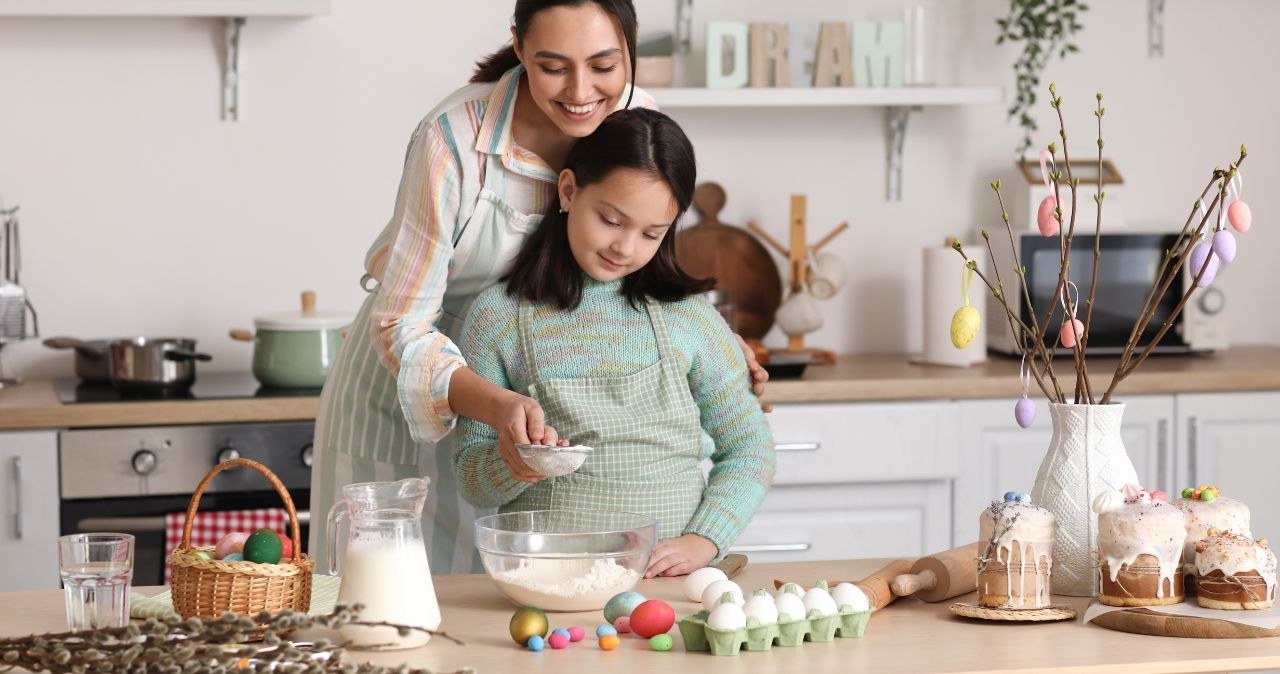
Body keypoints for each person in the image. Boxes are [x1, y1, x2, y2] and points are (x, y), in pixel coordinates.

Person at [310, 0, 767, 576]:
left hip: (527, 395)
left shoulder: (636, 116)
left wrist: (717, 341)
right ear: (520, 48)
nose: (582, 91)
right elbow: (401, 325)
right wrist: (498, 405)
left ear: (631, 48)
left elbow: (649, 242)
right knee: (385, 598)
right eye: (554, 66)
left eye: (605, 64)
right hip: (409, 387)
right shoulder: (453, 139)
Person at [452, 108, 776, 578]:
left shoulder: (690, 318)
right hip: (548, 583)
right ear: (568, 191)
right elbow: (471, 479)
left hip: (668, 584)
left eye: (651, 233)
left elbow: (750, 449)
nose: (625, 248)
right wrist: (516, 462)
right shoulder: (497, 318)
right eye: (610, 219)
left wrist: (704, 540)